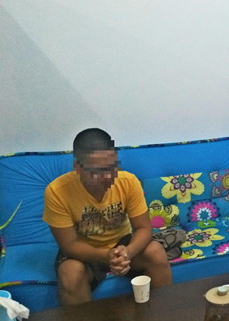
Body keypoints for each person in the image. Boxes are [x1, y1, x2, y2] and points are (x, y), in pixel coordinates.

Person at [43, 128, 172, 305]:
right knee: (70, 273)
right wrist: (106, 256)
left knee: (155, 252)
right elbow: (69, 245)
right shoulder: (57, 192)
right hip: (84, 249)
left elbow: (144, 228)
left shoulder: (128, 181)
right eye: (96, 171)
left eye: (111, 167)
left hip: (122, 244)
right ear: (77, 167)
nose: (106, 177)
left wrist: (127, 253)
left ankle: (164, 313)